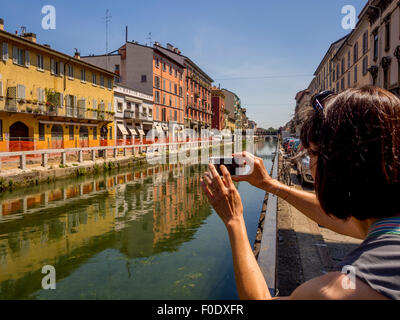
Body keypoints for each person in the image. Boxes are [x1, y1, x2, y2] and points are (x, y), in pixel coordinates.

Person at [200, 86, 400, 300]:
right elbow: (348, 223)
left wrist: (234, 220)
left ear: (338, 167)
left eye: (312, 153)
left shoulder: (336, 292)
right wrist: (270, 184)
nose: (307, 161)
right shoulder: (386, 229)